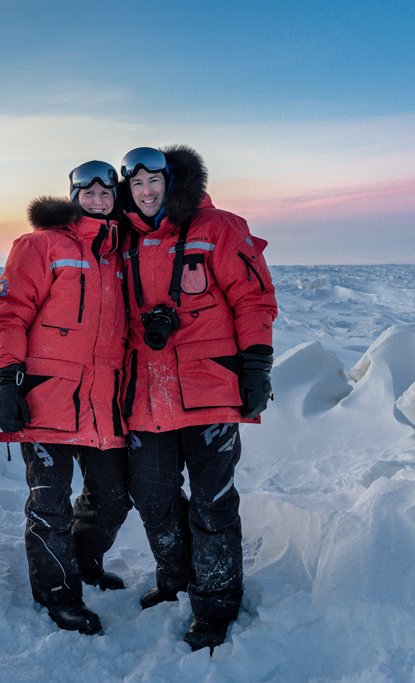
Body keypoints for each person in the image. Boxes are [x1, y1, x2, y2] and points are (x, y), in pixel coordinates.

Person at [117, 145, 278, 652]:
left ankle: (216, 602)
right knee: (153, 499)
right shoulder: (119, 238)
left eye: (154, 181)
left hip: (209, 391)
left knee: (212, 503)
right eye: (136, 184)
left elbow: (254, 299)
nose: (146, 192)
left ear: (171, 181)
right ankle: (177, 578)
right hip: (146, 396)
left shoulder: (220, 227)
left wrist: (257, 366)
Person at [0, 160, 132, 635]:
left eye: (106, 192)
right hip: (47, 398)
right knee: (50, 502)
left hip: (103, 401)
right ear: (73, 197)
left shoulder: (120, 252)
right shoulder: (39, 245)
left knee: (112, 499)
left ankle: (84, 563)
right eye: (88, 192)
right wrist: (5, 381)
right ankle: (58, 594)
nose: (98, 200)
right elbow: (8, 314)